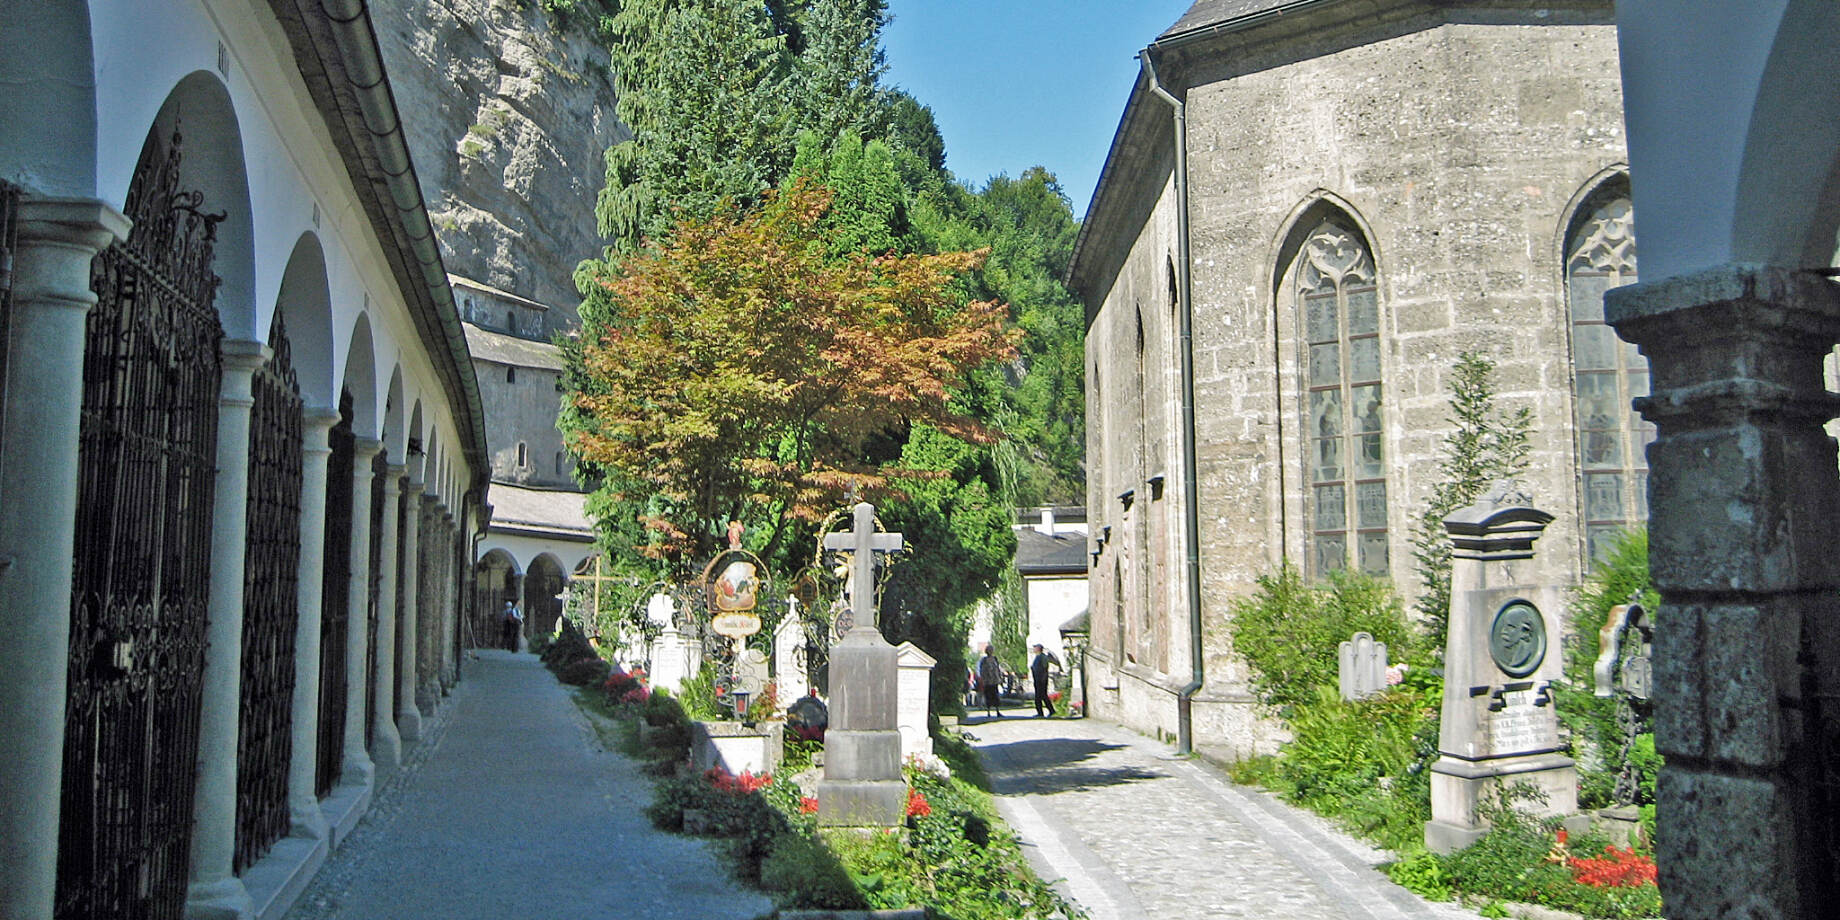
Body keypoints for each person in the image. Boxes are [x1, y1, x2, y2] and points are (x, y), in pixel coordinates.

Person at [1030, 643, 1061, 717]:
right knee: (1041, 696)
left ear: (1038, 649)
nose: (1034, 649)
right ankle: (1046, 711)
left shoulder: (1042, 657)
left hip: (1041, 680)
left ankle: (1045, 712)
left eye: (1035, 647)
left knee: (1041, 696)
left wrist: (1043, 679)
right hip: (1037, 679)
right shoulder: (1037, 657)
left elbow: (1045, 668)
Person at [976, 644, 1003, 718]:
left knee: (996, 696)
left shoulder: (995, 659)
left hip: (994, 681)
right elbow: (982, 670)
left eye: (991, 650)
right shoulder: (984, 660)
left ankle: (997, 711)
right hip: (987, 681)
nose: (991, 651)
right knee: (988, 696)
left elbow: (998, 669)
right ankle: (988, 712)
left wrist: (999, 678)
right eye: (989, 650)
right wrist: (983, 679)